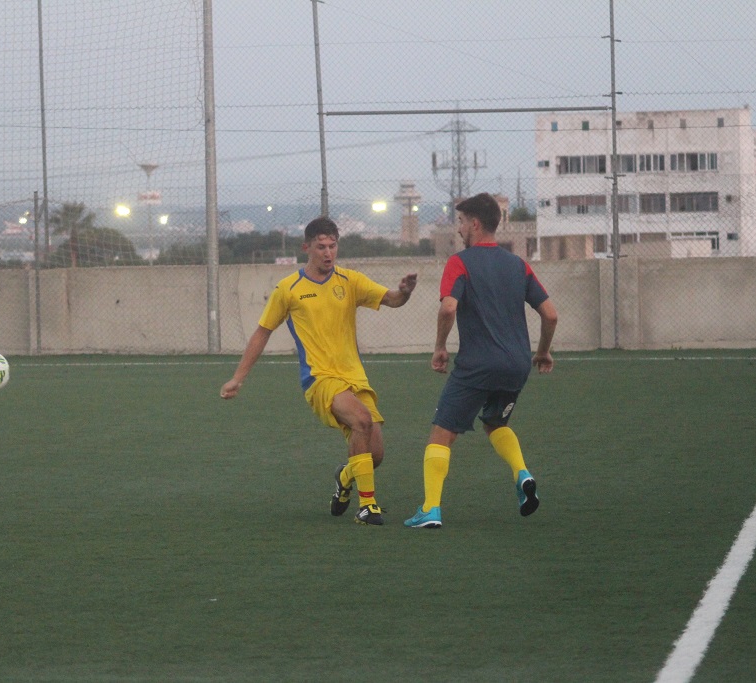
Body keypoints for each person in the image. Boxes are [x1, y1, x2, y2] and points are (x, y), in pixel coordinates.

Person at [220, 217, 418, 526]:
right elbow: (262, 332)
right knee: (361, 420)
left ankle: (345, 477)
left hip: (354, 377)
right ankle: (367, 507)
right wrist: (238, 378)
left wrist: (404, 292)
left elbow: (391, 299)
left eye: (332, 246)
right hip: (319, 378)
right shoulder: (289, 289)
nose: (328, 253)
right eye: (321, 247)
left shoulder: (350, 280)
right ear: (307, 248)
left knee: (374, 454)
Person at [404, 193, 557, 529]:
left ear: (474, 224)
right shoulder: (518, 265)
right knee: (495, 423)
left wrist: (439, 347)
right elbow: (550, 314)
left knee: (441, 434)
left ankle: (430, 509)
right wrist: (543, 351)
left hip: (478, 364)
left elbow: (448, 307)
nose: (459, 228)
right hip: (516, 365)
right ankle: (522, 474)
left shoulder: (460, 262)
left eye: (460, 222)